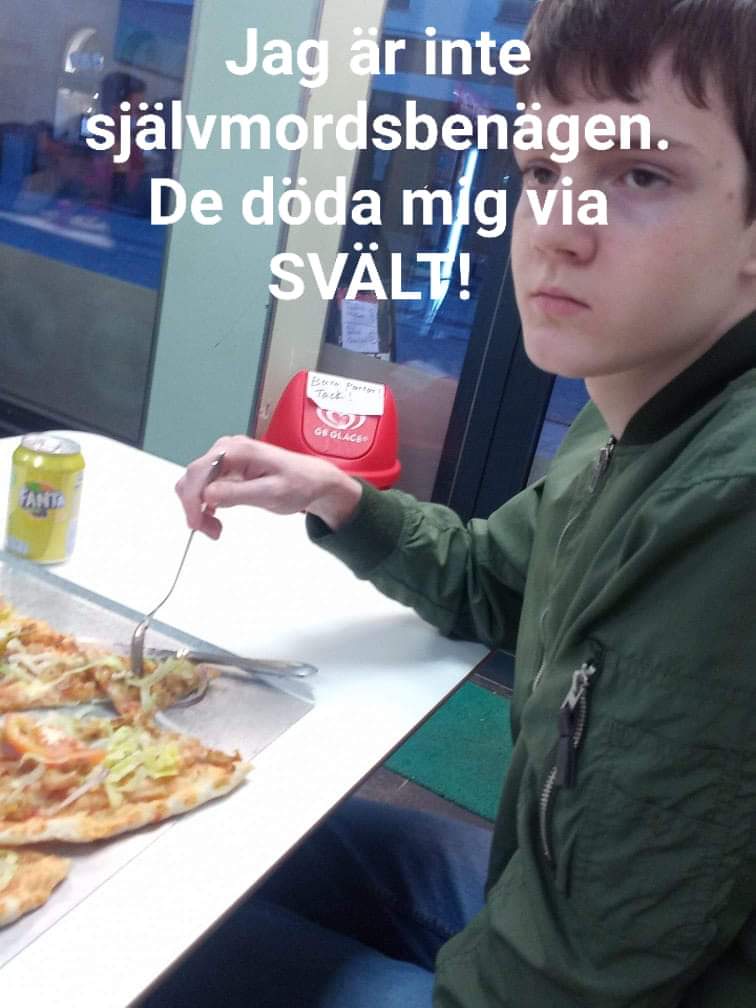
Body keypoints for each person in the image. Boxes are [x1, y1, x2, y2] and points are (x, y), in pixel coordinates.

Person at [155, 1, 756, 1005]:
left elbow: (582, 978)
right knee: (220, 813)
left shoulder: (730, 505)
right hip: (547, 884)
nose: (557, 230)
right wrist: (340, 495)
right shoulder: (638, 405)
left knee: (164, 944)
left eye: (641, 175)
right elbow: (497, 578)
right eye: (542, 171)